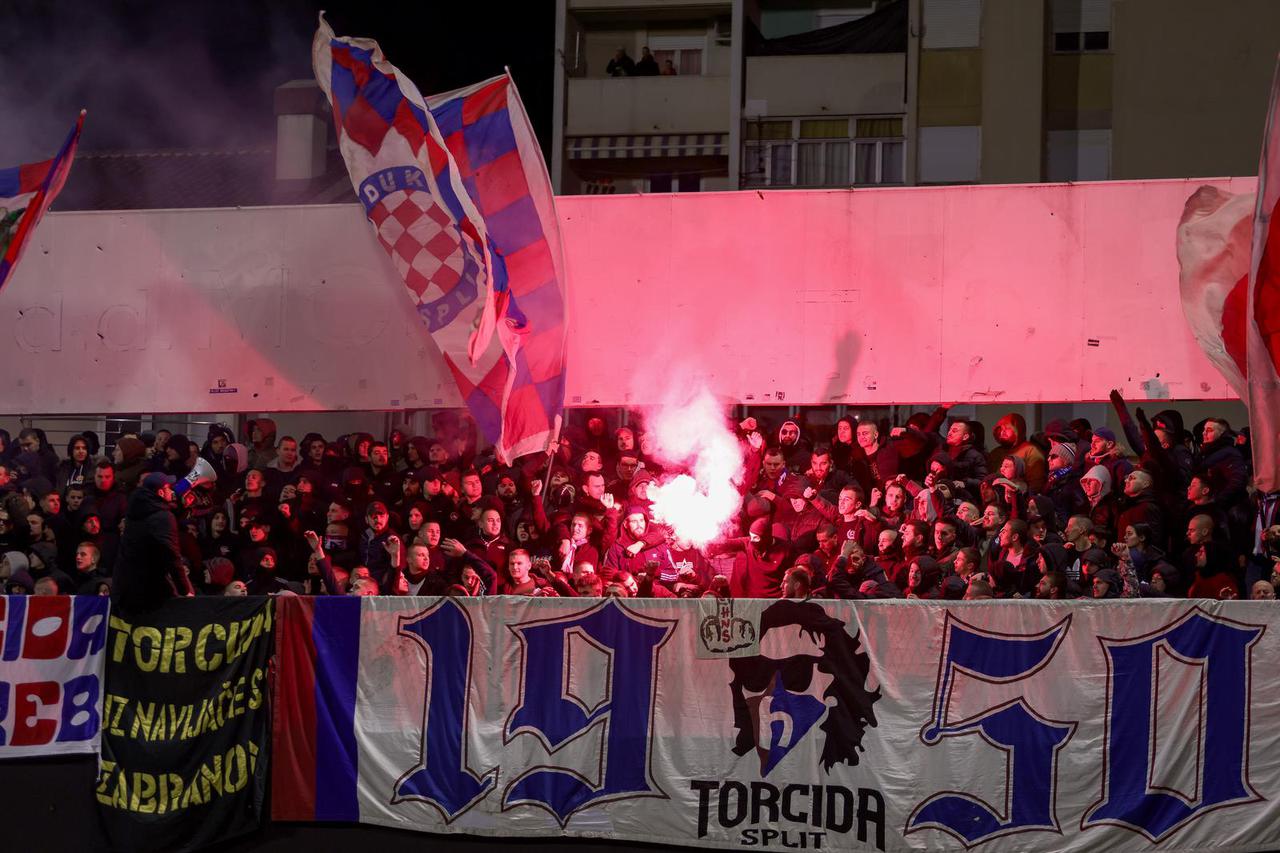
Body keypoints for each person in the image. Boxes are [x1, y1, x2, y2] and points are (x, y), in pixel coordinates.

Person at [112, 472, 194, 614]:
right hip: (149, 592)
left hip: (126, 587)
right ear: (161, 492)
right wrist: (185, 590)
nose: (172, 490)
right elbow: (171, 555)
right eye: (168, 487)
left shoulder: (136, 509)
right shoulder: (163, 517)